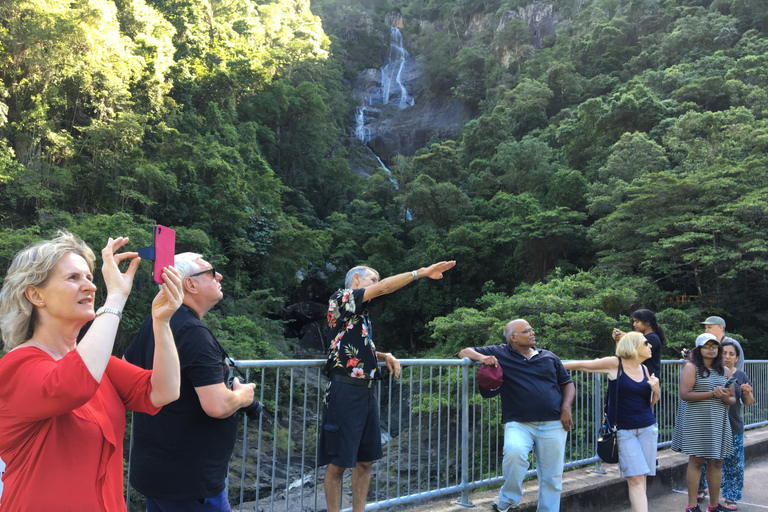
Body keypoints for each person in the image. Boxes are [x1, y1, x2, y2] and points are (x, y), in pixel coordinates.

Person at [0, 232, 183, 511]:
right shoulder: (16, 367)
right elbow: (74, 385)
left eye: (89, 277)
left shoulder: (101, 365)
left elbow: (164, 390)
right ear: (35, 295)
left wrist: (162, 321)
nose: (90, 287)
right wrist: (116, 299)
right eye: (73, 278)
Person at [124, 253, 258, 512]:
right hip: (191, 481)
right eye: (211, 272)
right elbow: (217, 406)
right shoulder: (194, 333)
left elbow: (126, 370)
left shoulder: (155, 322)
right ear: (190, 284)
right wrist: (243, 396)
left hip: (154, 471)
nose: (219, 276)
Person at [319, 261, 456, 512]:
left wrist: (384, 355)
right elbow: (383, 289)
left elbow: (353, 349)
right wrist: (420, 273)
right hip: (345, 390)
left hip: (368, 391)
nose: (377, 283)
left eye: (377, 279)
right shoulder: (341, 298)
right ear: (357, 279)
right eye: (373, 278)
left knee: (365, 462)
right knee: (338, 463)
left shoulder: (361, 315)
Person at [458, 319, 575, 512]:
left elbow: (567, 383)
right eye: (527, 331)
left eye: (531, 329)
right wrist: (482, 358)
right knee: (514, 452)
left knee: (552, 477)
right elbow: (464, 352)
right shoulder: (500, 352)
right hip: (519, 422)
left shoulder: (549, 356)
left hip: (553, 422)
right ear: (513, 337)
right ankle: (509, 496)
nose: (533, 332)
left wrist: (566, 407)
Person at [564, 332, 660, 512]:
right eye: (646, 343)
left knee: (642, 477)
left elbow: (650, 403)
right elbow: (583, 365)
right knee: (635, 478)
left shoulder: (645, 369)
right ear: (634, 345)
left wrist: (656, 389)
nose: (651, 346)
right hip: (624, 430)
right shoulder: (615, 364)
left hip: (647, 427)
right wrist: (547, 364)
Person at [674, 333, 736, 512]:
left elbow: (732, 399)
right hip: (698, 422)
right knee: (696, 462)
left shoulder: (726, 371)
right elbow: (685, 394)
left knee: (717, 462)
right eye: (707, 346)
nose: (711, 349)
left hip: (718, 421)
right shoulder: (691, 367)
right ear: (698, 349)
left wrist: (725, 396)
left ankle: (714, 505)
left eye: (714, 346)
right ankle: (692, 506)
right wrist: (713, 393)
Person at [718, 341, 754, 511]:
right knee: (706, 462)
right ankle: (701, 488)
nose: (726, 357)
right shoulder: (711, 373)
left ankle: (731, 496)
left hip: (734, 425)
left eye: (731, 354)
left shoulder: (741, 375)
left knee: (735, 464)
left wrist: (747, 393)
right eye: (723, 353)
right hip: (712, 425)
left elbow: (748, 402)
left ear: (737, 357)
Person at [612, 309, 665, 378]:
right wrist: (618, 339)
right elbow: (623, 355)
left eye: (637, 322)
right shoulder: (645, 337)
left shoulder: (653, 338)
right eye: (634, 322)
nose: (634, 325)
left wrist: (626, 337)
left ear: (648, 322)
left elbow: (635, 354)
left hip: (649, 380)